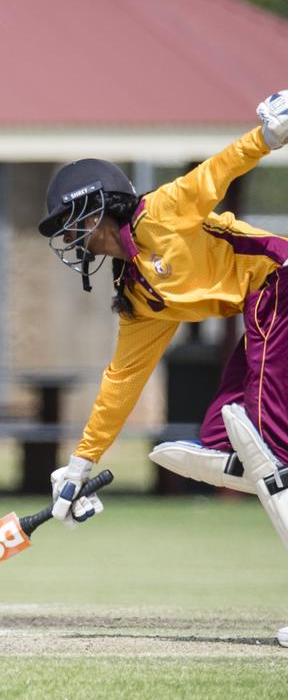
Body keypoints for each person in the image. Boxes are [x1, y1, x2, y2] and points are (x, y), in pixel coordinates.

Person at [37, 90, 288, 647]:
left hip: (282, 285)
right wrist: (80, 465)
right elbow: (122, 381)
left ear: (101, 205)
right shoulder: (139, 296)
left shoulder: (161, 212)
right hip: (263, 312)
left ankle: (278, 470)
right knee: (223, 435)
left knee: (266, 448)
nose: (68, 235)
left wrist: (270, 135)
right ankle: (276, 473)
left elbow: (215, 172)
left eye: (71, 219)